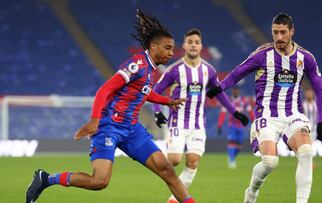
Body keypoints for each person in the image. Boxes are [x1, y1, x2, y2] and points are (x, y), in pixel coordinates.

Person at [26, 10, 197, 203]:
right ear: (153, 46)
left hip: (132, 130)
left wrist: (168, 101)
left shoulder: (150, 69)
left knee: (167, 170)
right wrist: (94, 121)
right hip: (109, 127)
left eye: (172, 49)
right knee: (99, 181)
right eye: (167, 48)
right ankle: (47, 179)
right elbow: (104, 90)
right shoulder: (137, 65)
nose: (171, 53)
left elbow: (143, 91)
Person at [206, 13, 322, 203]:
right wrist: (220, 87)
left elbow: (320, 89)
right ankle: (252, 192)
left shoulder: (305, 58)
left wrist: (321, 121)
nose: (279, 37)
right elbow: (237, 73)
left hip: (292, 115)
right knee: (270, 162)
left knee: (306, 151)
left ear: (291, 31)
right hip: (267, 116)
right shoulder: (262, 54)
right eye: (275, 32)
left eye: (283, 32)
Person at [152, 28, 249, 203]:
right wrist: (157, 112)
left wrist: (235, 112)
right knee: (173, 160)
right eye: (190, 42)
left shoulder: (209, 70)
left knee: (193, 162)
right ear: (184, 46)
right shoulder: (175, 70)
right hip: (178, 122)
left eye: (196, 42)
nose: (193, 45)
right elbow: (156, 91)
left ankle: (174, 199)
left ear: (201, 46)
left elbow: (219, 93)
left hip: (198, 124)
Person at [217, 87, 255, 169]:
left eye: (236, 90)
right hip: (232, 125)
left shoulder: (244, 101)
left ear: (239, 91)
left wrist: (254, 122)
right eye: (234, 90)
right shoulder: (228, 101)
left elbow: (250, 112)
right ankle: (231, 160)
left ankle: (232, 157)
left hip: (240, 126)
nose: (235, 92)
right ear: (232, 91)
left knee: (239, 146)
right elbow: (223, 113)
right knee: (231, 143)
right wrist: (219, 125)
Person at [302, 89, 322, 156]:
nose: (308, 95)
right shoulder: (303, 104)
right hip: (305, 127)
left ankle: (309, 157)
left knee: (311, 143)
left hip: (314, 127)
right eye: (307, 94)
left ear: (313, 95)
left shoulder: (316, 104)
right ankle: (305, 156)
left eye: (310, 94)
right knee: (305, 143)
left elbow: (321, 114)